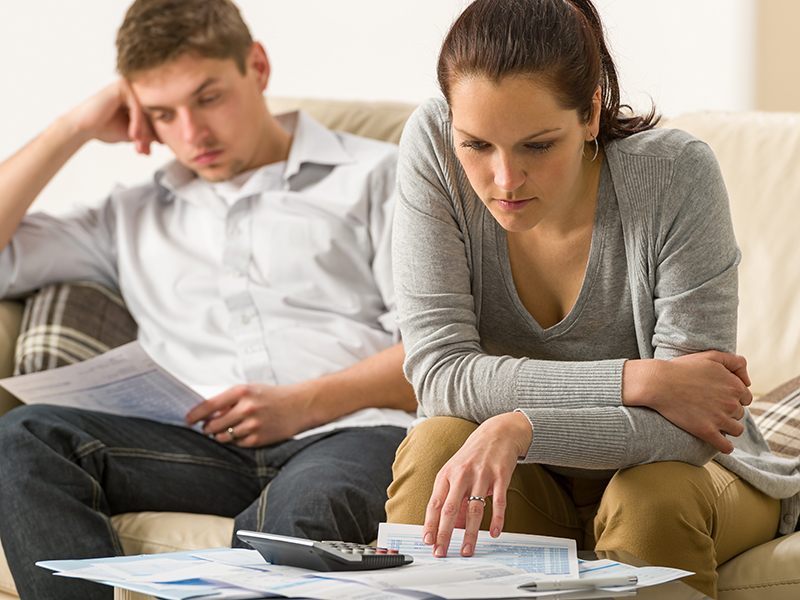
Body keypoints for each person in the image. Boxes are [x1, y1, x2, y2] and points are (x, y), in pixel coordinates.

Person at [0, 1, 417, 598]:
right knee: (23, 438)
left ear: (258, 66)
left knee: (295, 530)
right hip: (194, 449)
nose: (192, 134)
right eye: (162, 113)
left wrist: (300, 404)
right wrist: (72, 128)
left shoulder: (380, 176)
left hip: (348, 432)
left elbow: (434, 353)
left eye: (208, 97)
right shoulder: (127, 214)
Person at [384, 0, 800, 597]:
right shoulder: (432, 144)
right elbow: (440, 375)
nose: (504, 181)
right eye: (477, 145)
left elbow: (696, 426)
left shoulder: (676, 175)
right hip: (530, 480)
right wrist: (639, 380)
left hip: (680, 469)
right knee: (435, 453)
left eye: (537, 146)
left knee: (651, 500)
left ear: (590, 114)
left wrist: (526, 426)